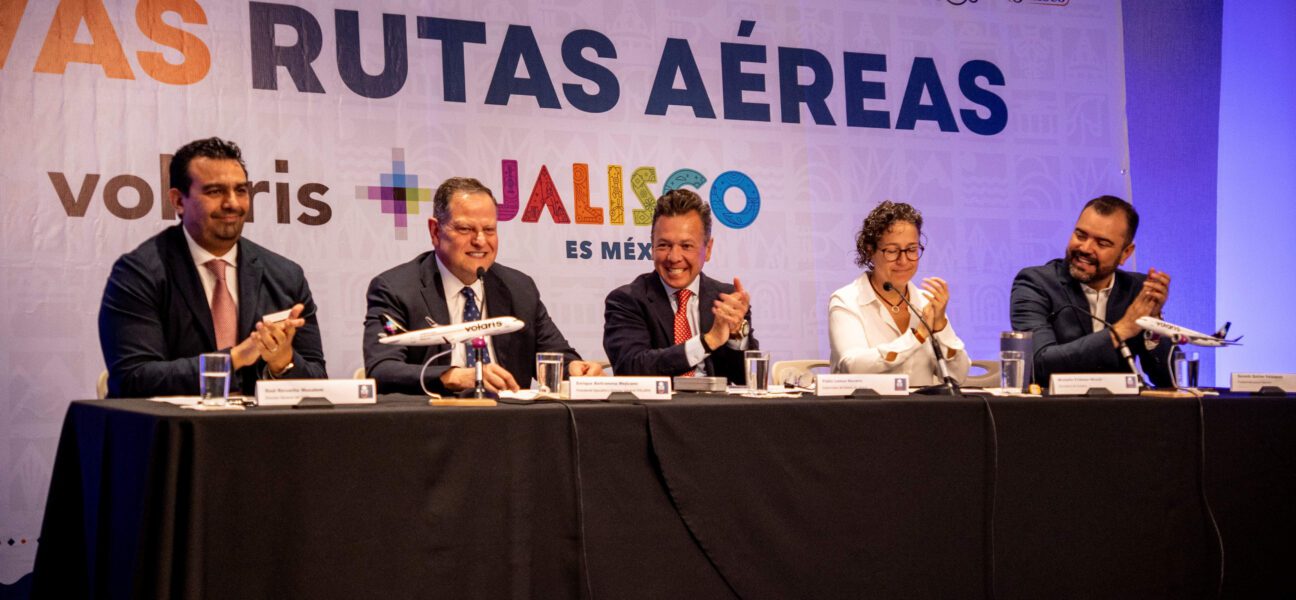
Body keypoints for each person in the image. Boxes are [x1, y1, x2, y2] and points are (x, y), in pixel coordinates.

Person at [98, 137, 327, 398]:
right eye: (215, 192)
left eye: (241, 190)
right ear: (178, 201)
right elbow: (133, 378)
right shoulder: (138, 273)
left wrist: (283, 362)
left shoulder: (286, 276)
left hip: (259, 423)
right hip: (173, 423)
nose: (232, 203)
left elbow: (318, 380)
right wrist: (236, 357)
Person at [364, 177, 602, 395]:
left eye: (489, 230)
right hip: (436, 419)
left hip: (511, 418)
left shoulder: (519, 288)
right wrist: (453, 376)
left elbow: (554, 353)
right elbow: (382, 369)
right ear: (435, 231)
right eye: (465, 229)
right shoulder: (396, 289)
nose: (480, 241)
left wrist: (574, 367)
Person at [1010, 195, 1174, 387]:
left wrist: (1154, 325)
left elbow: (1170, 380)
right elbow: (1039, 364)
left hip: (1123, 405)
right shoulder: (1036, 283)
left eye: (1102, 243)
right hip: (1055, 405)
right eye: (1080, 235)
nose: (1086, 248)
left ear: (1125, 253)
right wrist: (1121, 331)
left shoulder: (1136, 289)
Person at [603, 189, 756, 383]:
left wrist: (735, 336)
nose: (674, 257)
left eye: (686, 246)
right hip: (661, 402)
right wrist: (707, 342)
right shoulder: (627, 300)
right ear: (652, 246)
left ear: (708, 249)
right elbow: (630, 368)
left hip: (717, 402)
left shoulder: (727, 300)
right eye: (664, 245)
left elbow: (746, 380)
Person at [827, 201, 970, 386]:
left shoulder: (926, 302)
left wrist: (941, 326)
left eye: (911, 250)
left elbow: (958, 376)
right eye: (892, 251)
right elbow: (853, 366)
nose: (903, 261)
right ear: (870, 250)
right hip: (866, 404)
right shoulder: (846, 300)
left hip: (923, 404)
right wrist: (916, 337)